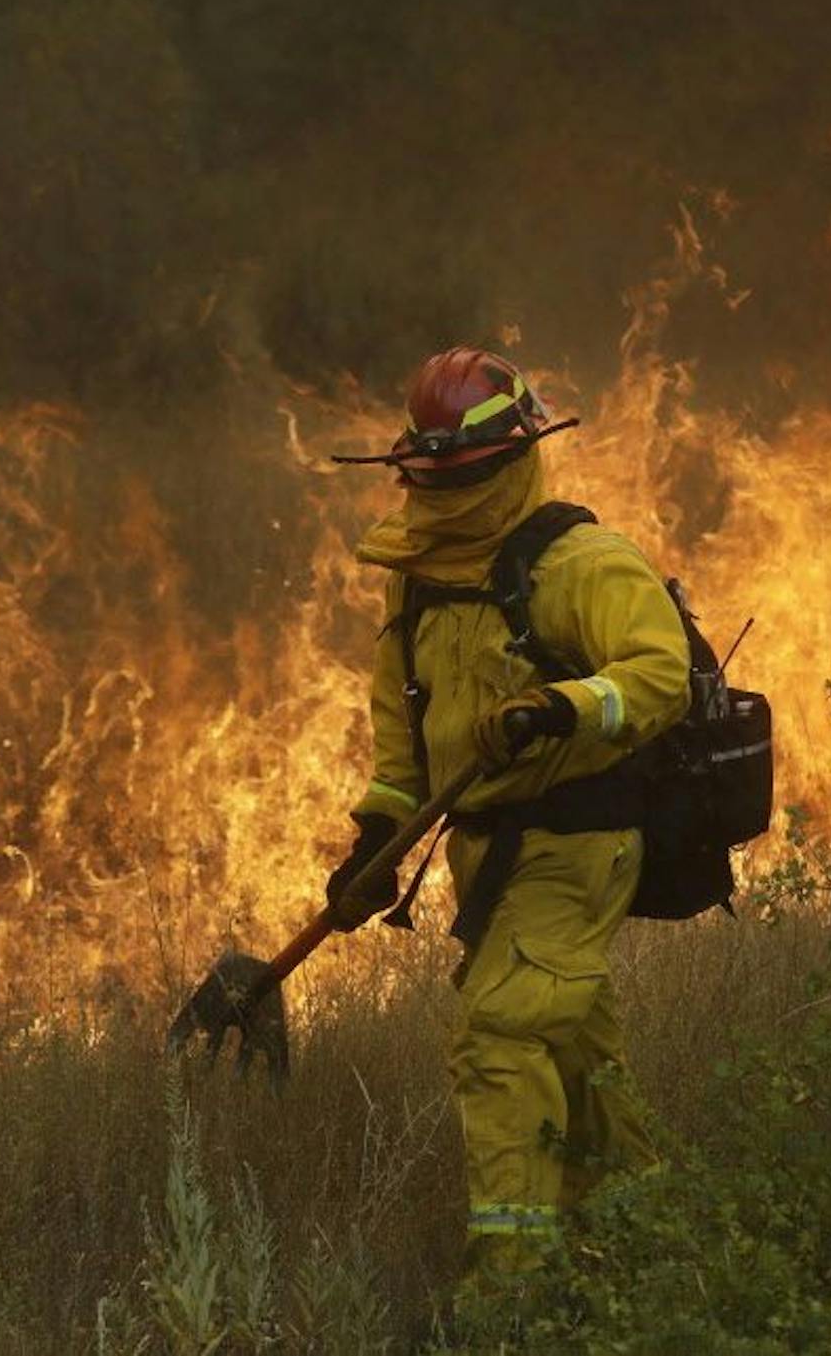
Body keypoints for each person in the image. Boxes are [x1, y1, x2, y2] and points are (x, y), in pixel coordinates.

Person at [326, 346, 687, 1280]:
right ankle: (656, 1256)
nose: (447, 494)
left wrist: (562, 704)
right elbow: (404, 739)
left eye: (467, 474)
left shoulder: (579, 562)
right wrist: (377, 835)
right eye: (435, 476)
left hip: (577, 841)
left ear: (511, 459)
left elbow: (658, 675)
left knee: (500, 1039)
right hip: (485, 855)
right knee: (573, 1053)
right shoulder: (416, 580)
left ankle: (510, 1297)